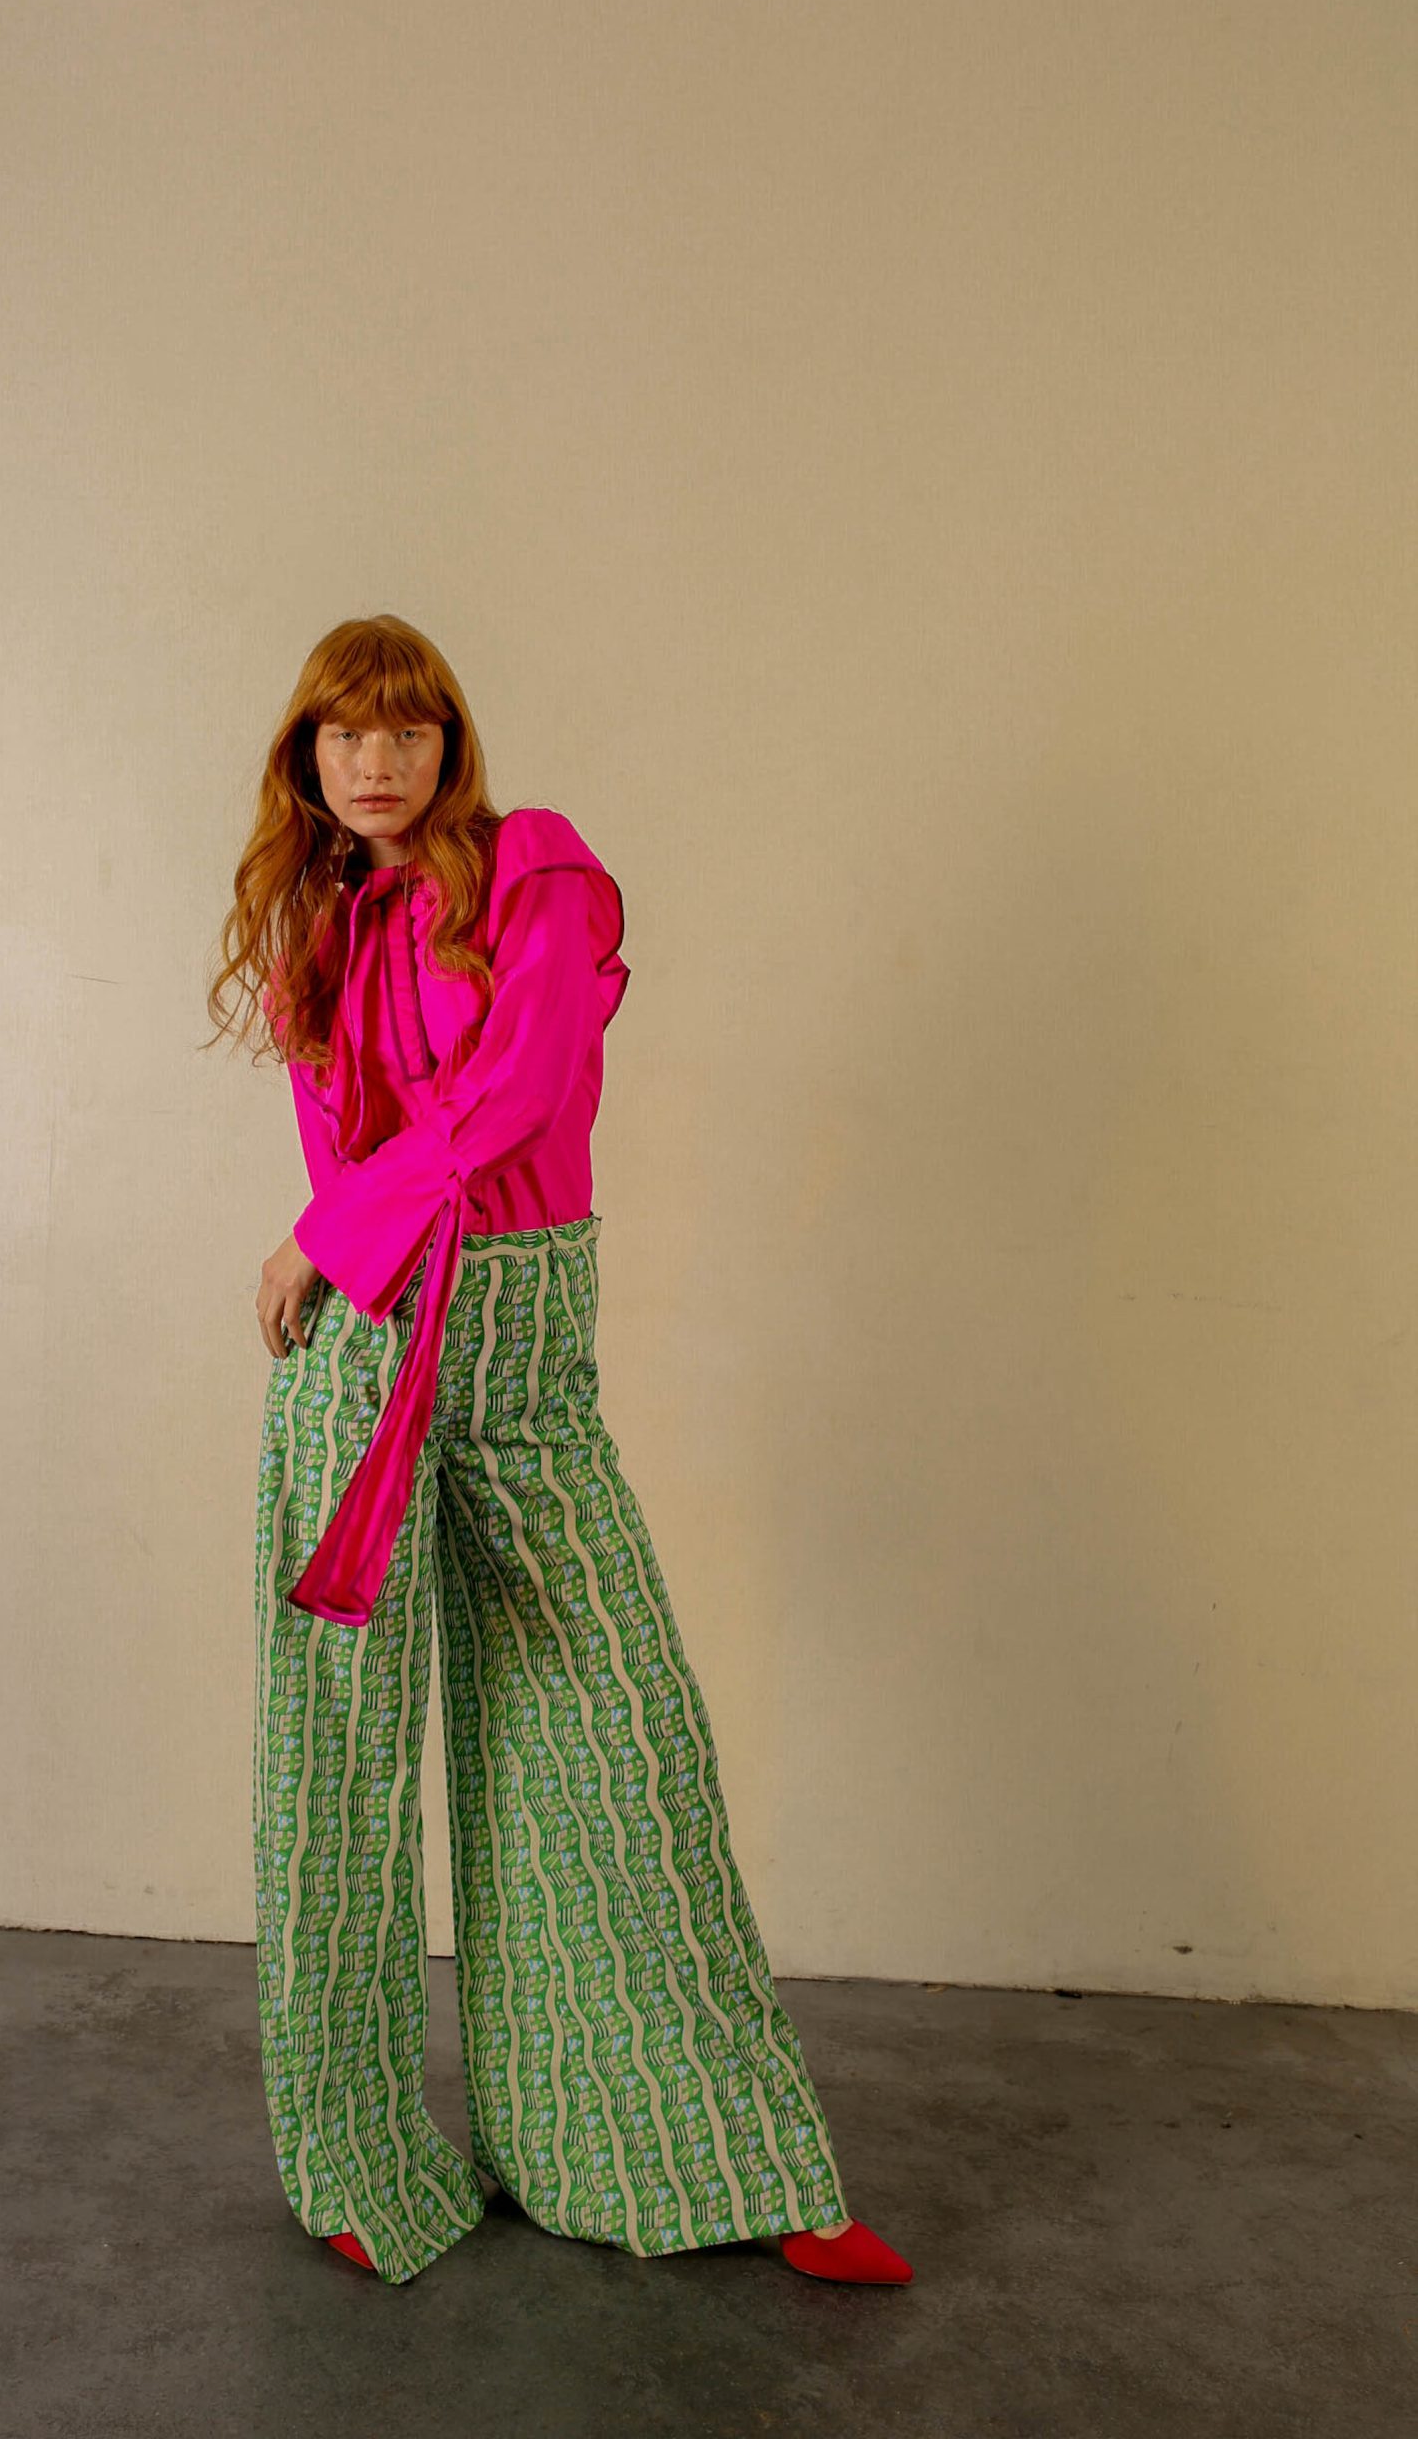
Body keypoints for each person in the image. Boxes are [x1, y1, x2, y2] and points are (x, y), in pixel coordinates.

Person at [211, 613, 914, 2290]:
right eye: (343, 736)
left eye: (408, 730)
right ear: (306, 759)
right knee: (338, 1766)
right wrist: (339, 1247)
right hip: (365, 1357)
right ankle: (351, 2158)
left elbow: (519, 1093)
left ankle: (704, 2157)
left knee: (616, 1741)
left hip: (513, 1347)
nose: (376, 762)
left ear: (452, 744)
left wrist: (323, 1235)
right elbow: (350, 1141)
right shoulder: (322, 923)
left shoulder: (536, 873)